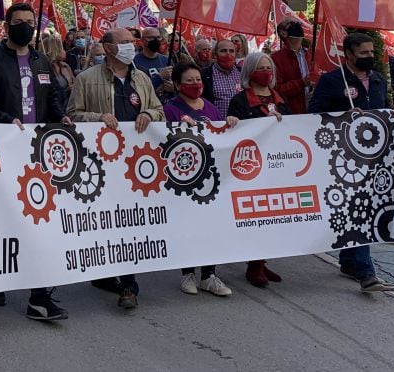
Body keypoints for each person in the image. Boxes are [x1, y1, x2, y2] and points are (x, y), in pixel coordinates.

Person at [0, 2, 72, 321]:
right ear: (8, 25)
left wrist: (60, 117)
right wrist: (6, 120)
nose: (25, 26)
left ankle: (40, 296)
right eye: (19, 22)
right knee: (2, 216)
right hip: (3, 150)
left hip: (37, 152)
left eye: (30, 21)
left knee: (38, 218)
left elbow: (52, 96)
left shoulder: (41, 60)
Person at [67, 27, 164, 309]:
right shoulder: (86, 79)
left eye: (131, 42)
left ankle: (128, 285)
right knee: (107, 219)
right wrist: (98, 118)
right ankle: (106, 273)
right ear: (108, 48)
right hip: (101, 163)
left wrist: (148, 113)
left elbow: (158, 109)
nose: (130, 46)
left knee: (127, 221)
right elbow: (73, 115)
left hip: (135, 165)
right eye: (123, 43)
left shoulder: (142, 78)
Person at [309, 32, 394, 292]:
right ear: (349, 55)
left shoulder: (376, 79)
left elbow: (383, 107)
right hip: (343, 159)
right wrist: (342, 116)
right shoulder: (332, 80)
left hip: (374, 156)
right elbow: (313, 113)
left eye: (371, 53)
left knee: (360, 207)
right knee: (360, 209)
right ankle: (367, 274)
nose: (369, 57)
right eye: (363, 53)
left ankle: (349, 261)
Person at [163, 62, 236, 297]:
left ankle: (209, 275)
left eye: (198, 80)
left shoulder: (212, 108)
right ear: (177, 84)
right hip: (183, 177)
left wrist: (231, 123)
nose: (196, 84)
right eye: (189, 80)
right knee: (188, 225)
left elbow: (221, 135)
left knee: (210, 225)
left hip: (210, 176)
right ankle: (188, 274)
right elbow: (163, 139)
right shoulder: (171, 109)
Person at [227, 52, 288, 288]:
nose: (266, 72)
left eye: (269, 67)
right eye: (261, 68)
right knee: (255, 216)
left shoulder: (279, 99)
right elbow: (235, 131)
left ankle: (261, 261)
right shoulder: (240, 100)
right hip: (251, 167)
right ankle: (253, 265)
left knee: (271, 217)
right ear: (250, 72)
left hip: (275, 164)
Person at [271, 18, 314, 115]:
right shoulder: (275, 59)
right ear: (283, 33)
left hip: (314, 111)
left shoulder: (311, 54)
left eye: (298, 23)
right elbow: (277, 90)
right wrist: (301, 83)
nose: (297, 25)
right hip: (293, 114)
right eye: (291, 24)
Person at [201, 38, 242, 113]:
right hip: (218, 123)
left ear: (235, 54)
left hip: (242, 122)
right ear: (215, 54)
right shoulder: (205, 74)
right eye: (223, 51)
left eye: (231, 51)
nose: (228, 54)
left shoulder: (242, 73)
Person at [134, 26, 174, 101]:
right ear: (142, 40)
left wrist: (173, 88)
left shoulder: (167, 60)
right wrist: (159, 77)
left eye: (158, 37)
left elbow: (176, 85)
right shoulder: (135, 62)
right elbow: (137, 89)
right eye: (151, 38)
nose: (156, 40)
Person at [41, 35, 75, 115]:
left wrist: (73, 87)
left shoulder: (65, 66)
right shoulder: (43, 68)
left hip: (69, 110)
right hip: (54, 113)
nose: (64, 51)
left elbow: (75, 82)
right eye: (62, 48)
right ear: (54, 49)